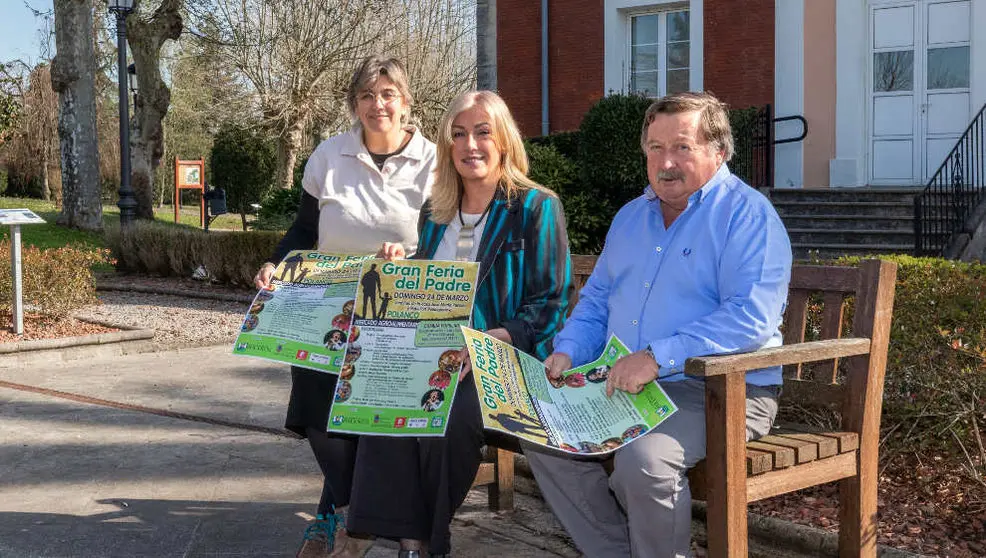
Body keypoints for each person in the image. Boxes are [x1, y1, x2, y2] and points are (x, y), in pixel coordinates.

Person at [524, 91, 792, 558]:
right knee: (544, 438)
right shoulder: (631, 217)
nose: (666, 162)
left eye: (683, 147)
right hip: (628, 385)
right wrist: (567, 351)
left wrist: (656, 356)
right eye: (655, 148)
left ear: (718, 151)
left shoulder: (747, 215)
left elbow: (751, 316)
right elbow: (596, 304)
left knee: (644, 460)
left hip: (721, 390)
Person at [346, 90, 572, 558]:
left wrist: (493, 339)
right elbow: (424, 292)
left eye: (483, 132)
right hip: (438, 350)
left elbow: (551, 304)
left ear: (504, 140)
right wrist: (397, 269)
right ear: (448, 147)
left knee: (449, 407)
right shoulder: (435, 214)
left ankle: (426, 541)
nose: (471, 144)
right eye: (460, 134)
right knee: (380, 389)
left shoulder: (534, 207)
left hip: (507, 361)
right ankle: (410, 537)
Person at [252, 55, 437, 558]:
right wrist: (275, 264)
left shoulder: (434, 161)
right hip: (327, 305)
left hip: (399, 310)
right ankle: (370, 517)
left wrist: (409, 257)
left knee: (375, 411)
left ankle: (343, 519)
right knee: (317, 412)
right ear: (354, 104)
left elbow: (443, 241)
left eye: (388, 94)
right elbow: (304, 231)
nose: (377, 105)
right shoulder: (328, 155)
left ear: (406, 102)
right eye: (366, 96)